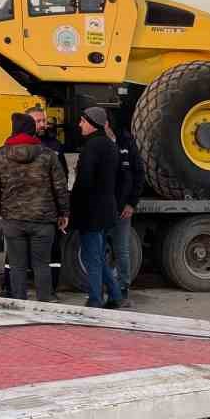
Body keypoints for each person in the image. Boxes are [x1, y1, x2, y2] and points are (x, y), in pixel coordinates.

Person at [0, 111, 69, 302]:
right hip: (43, 220)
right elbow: (60, 186)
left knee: (17, 265)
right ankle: (44, 304)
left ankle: (19, 305)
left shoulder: (1, 155)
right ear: (31, 130)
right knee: (42, 264)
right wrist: (64, 212)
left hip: (12, 220)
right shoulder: (48, 155)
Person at [71, 105, 123, 308]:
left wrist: (73, 204)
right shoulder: (110, 145)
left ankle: (95, 299)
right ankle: (115, 295)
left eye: (83, 121)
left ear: (92, 124)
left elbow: (84, 181)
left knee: (91, 256)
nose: (79, 124)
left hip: (91, 211)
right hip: (106, 209)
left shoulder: (92, 147)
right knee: (99, 255)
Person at [107, 115, 145, 309]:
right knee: (98, 249)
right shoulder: (97, 142)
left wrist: (131, 203)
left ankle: (122, 289)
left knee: (121, 249)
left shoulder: (126, 143)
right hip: (102, 208)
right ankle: (104, 289)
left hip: (122, 208)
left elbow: (139, 173)